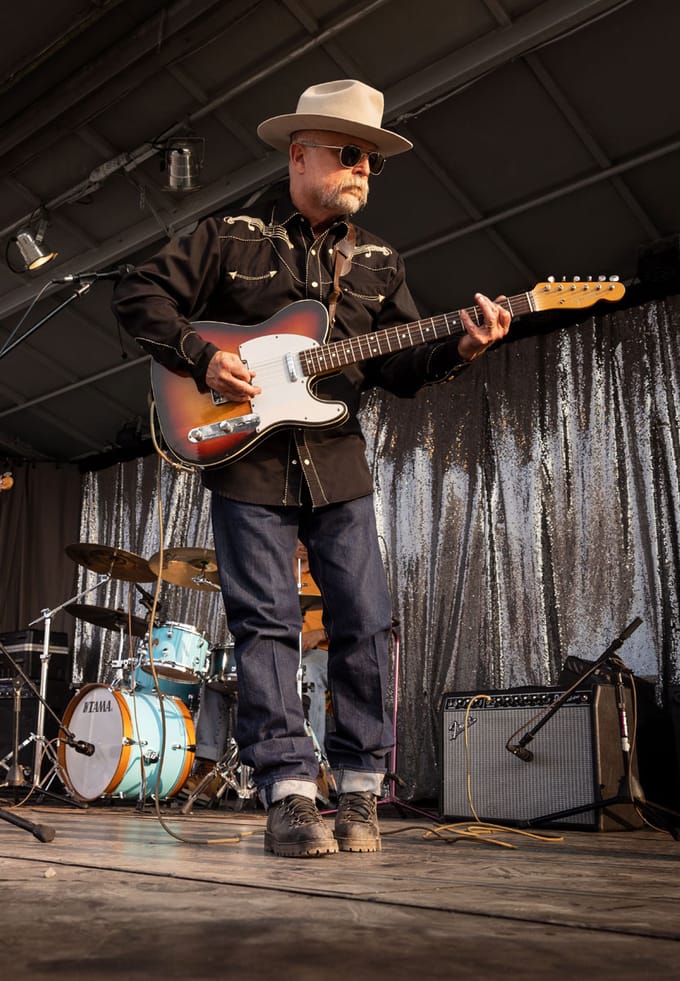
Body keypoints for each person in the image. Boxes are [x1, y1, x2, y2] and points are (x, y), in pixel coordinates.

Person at [112, 78, 511, 857]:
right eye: (350, 153)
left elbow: (399, 365)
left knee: (365, 619)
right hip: (247, 459)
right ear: (301, 155)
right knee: (267, 624)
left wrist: (460, 347)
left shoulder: (379, 264)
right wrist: (202, 355)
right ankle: (290, 795)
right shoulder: (231, 236)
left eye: (372, 158)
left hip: (337, 464)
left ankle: (360, 790)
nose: (365, 167)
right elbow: (139, 293)